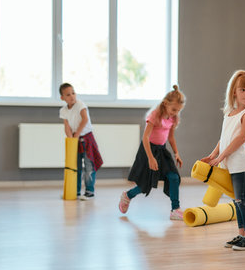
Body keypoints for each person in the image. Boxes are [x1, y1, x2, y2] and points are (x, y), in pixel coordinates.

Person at [203, 70, 245, 251]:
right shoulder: (230, 113)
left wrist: (221, 156)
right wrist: (213, 155)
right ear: (234, 91)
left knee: (243, 200)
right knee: (237, 201)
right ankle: (242, 233)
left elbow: (242, 138)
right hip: (230, 162)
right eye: (243, 90)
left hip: (241, 163)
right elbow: (224, 137)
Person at [119, 86, 185, 220]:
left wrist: (176, 153)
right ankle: (128, 195)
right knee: (146, 184)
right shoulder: (155, 115)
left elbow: (170, 137)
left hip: (161, 151)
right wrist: (150, 158)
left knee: (174, 177)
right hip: (148, 150)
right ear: (166, 104)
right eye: (173, 109)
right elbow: (145, 137)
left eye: (178, 111)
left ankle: (175, 209)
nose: (175, 113)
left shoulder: (173, 118)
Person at [59, 83, 103, 200]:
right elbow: (67, 126)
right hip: (75, 141)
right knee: (75, 166)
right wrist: (71, 139)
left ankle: (89, 191)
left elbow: (85, 119)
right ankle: (75, 191)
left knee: (89, 166)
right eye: (68, 95)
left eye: (73, 93)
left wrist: (77, 134)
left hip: (87, 138)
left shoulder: (80, 105)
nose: (72, 96)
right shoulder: (63, 111)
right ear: (62, 98)